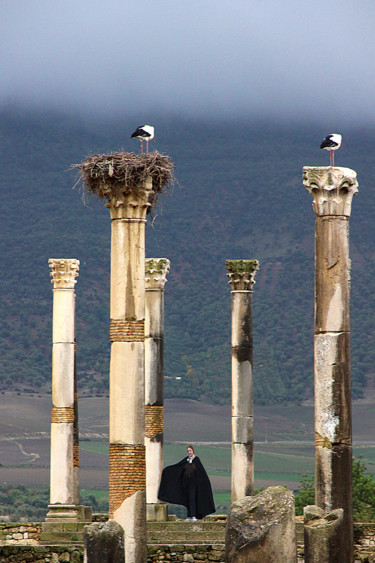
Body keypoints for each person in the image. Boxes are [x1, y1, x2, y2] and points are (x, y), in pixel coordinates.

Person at [158, 445, 215, 521]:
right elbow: (178, 467)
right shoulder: (186, 460)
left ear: (193, 451)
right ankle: (189, 516)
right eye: (188, 451)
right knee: (187, 499)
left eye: (190, 450)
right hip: (186, 484)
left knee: (192, 499)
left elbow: (201, 473)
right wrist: (167, 471)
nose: (189, 452)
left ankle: (194, 515)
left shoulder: (196, 460)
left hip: (194, 484)